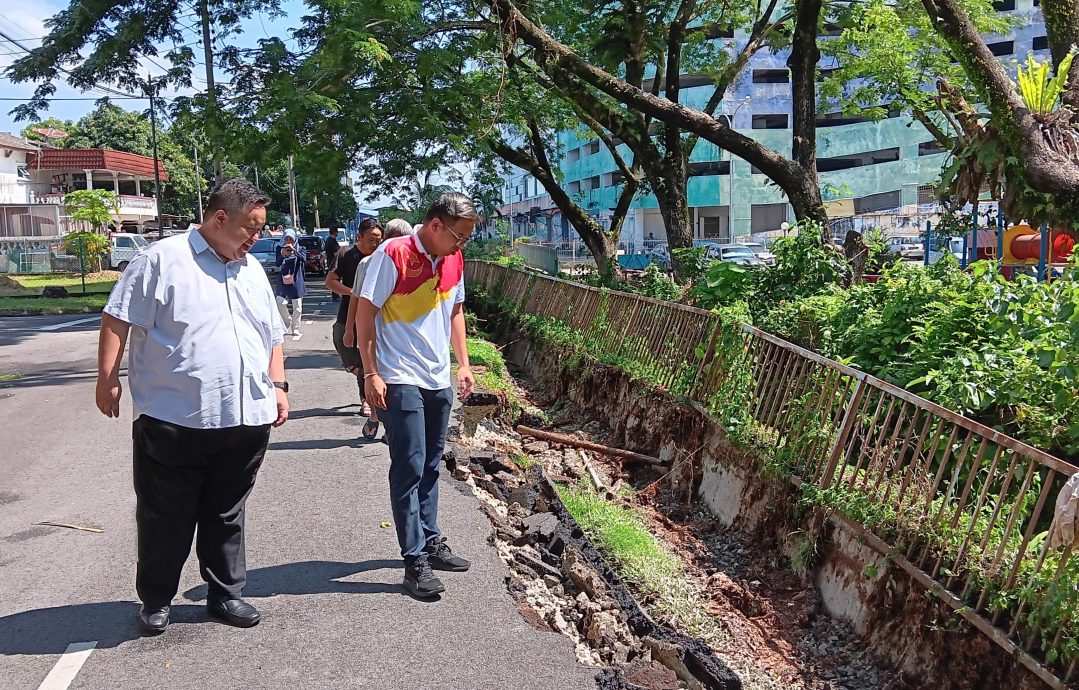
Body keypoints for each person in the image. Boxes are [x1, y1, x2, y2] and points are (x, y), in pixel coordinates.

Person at [95, 178, 288, 635]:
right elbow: (117, 316)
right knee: (166, 514)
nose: (256, 238)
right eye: (250, 228)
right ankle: (157, 599)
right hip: (175, 417)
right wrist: (107, 381)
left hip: (245, 417)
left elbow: (272, 334)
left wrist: (278, 384)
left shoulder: (251, 270)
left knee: (227, 512)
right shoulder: (161, 261)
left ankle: (225, 594)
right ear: (220, 218)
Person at [355, 194, 477, 600]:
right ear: (437, 226)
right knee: (408, 466)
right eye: (458, 237)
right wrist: (371, 373)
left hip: (437, 376)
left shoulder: (453, 260)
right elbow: (365, 313)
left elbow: (455, 312)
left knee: (430, 463)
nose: (462, 245)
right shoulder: (395, 253)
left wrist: (463, 363)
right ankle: (414, 561)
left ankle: (430, 540)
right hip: (398, 376)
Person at [327, 218, 383, 437]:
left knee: (366, 361)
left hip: (374, 318)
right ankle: (363, 379)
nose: (375, 245)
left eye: (379, 240)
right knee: (349, 355)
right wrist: (353, 292)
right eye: (371, 240)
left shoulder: (383, 257)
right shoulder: (346, 255)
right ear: (359, 236)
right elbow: (330, 281)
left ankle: (367, 402)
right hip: (347, 311)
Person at [276, 237, 307, 337]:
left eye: (291, 239)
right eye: (287, 239)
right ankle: (287, 320)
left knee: (297, 306)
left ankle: (296, 327)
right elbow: (277, 263)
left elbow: (304, 259)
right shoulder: (280, 248)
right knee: (280, 302)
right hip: (283, 280)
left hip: (296, 280)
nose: (289, 241)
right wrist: (282, 254)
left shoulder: (301, 248)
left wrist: (294, 250)